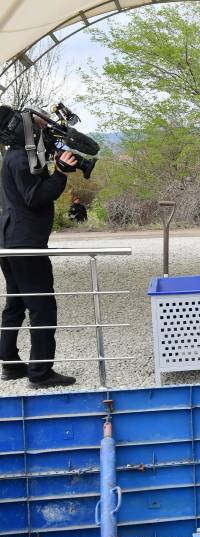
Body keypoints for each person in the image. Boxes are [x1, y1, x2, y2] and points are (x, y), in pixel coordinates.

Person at [0, 116, 78, 386]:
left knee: (16, 304)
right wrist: (61, 174)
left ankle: (9, 363)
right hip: (25, 244)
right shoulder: (22, 158)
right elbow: (34, 197)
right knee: (42, 307)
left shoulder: (16, 155)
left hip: (11, 240)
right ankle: (40, 372)